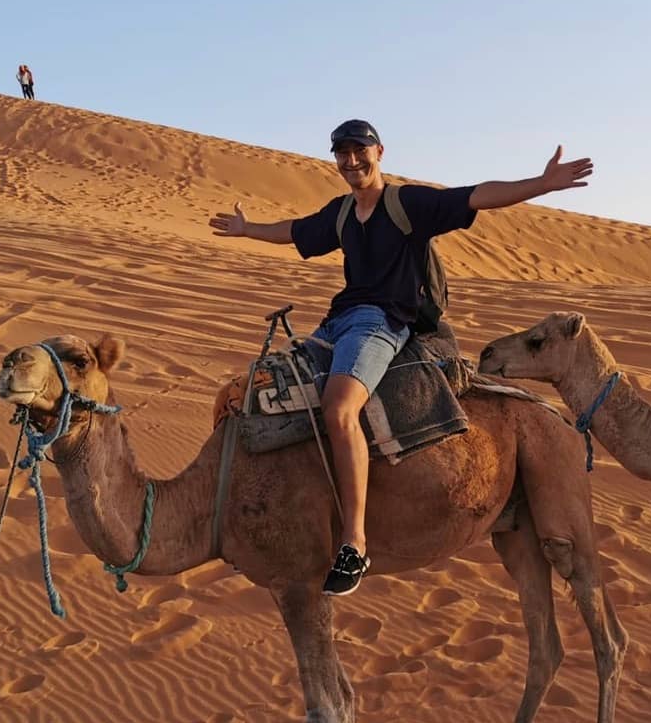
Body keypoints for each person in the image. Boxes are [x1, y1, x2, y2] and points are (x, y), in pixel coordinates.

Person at [209, 119, 593, 595]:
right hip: (336, 322)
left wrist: (541, 184)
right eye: (342, 154)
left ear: (379, 152)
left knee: (339, 408)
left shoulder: (408, 204)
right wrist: (248, 229)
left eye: (359, 151)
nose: (351, 162)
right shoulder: (343, 213)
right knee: (255, 388)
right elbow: (295, 231)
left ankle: (353, 542)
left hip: (382, 322)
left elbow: (476, 195)